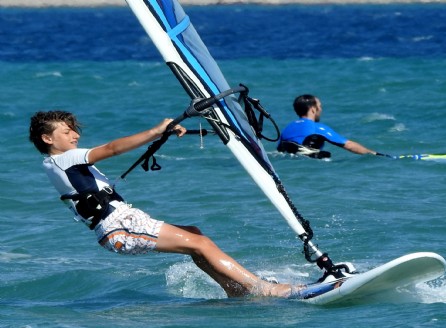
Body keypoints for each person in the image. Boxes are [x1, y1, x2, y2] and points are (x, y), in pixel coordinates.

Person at [28, 110, 296, 298]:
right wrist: (156, 129)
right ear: (47, 139)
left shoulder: (57, 164)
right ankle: (262, 288)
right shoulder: (65, 159)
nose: (74, 134)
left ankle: (234, 290)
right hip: (119, 226)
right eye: (66, 131)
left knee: (195, 236)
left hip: (121, 224)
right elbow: (112, 148)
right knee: (200, 243)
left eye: (74, 129)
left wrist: (160, 134)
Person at [277, 94, 379, 159]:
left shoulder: (287, 128)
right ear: (313, 109)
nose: (321, 110)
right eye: (320, 106)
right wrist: (374, 154)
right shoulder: (317, 127)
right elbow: (349, 145)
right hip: (309, 159)